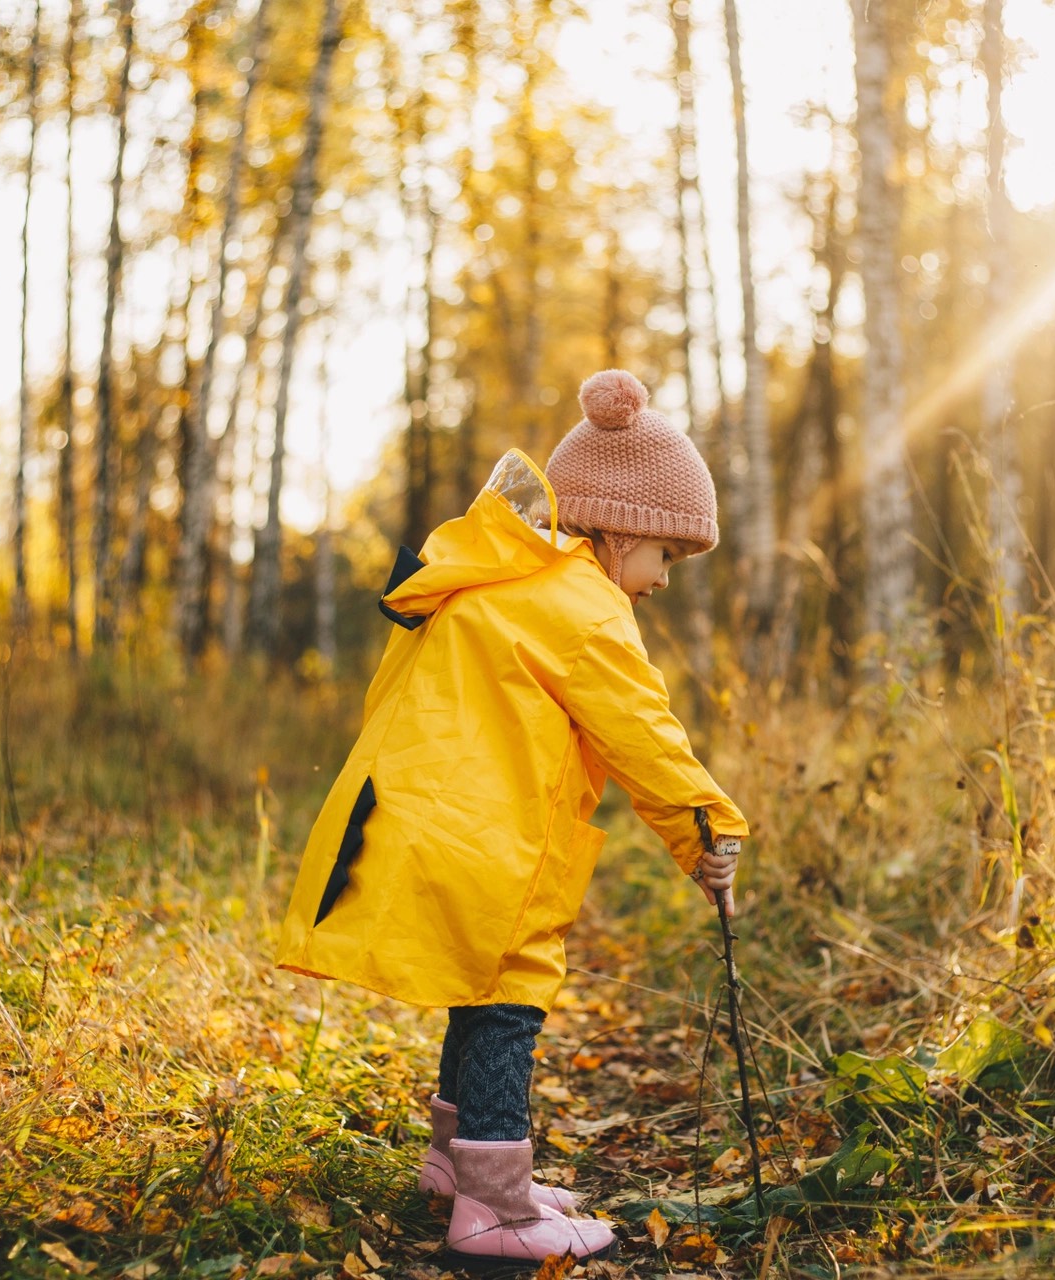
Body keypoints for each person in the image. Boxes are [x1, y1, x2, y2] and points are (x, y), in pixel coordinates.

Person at [276, 369, 748, 1265]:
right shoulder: (581, 608)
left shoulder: (503, 580)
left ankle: (457, 1164)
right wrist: (706, 832)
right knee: (508, 995)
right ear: (621, 531)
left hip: (432, 816)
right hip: (490, 838)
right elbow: (645, 737)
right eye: (667, 558)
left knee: (477, 985)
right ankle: (493, 1210)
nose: (663, 581)